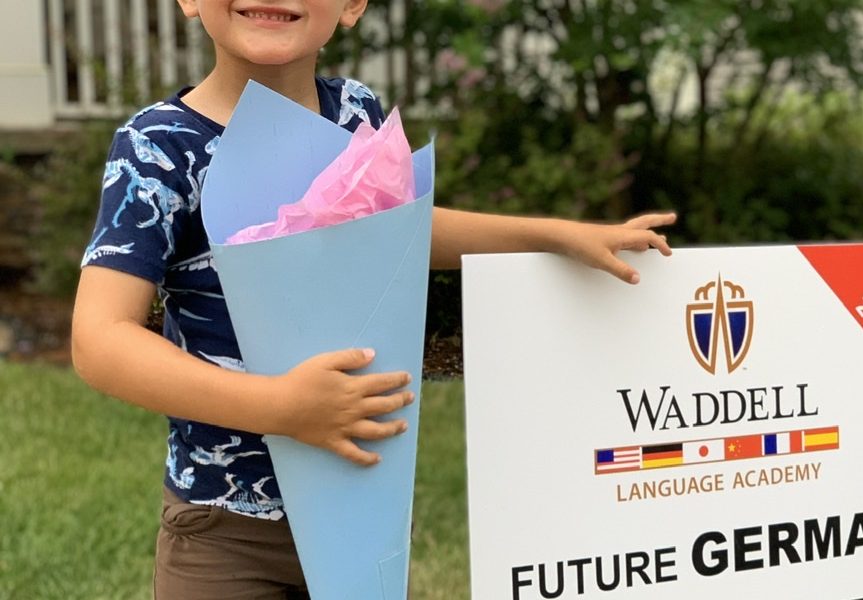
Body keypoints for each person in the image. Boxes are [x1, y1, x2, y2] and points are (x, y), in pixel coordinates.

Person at [70, 1, 675, 597]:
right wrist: (281, 407)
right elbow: (100, 341)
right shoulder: (158, 147)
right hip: (226, 533)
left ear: (353, 5)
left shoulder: (355, 114)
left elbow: (400, 234)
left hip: (363, 512)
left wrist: (555, 236)